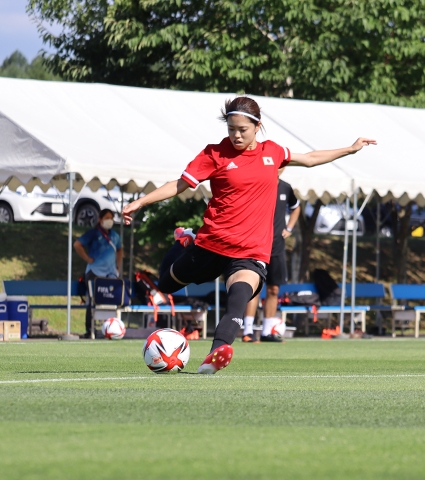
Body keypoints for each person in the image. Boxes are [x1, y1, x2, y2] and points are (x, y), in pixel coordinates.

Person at [122, 96, 376, 374]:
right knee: (167, 284)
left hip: (251, 250)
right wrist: (140, 202)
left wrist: (350, 149)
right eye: (231, 128)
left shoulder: (274, 152)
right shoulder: (214, 154)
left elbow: (311, 158)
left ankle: (215, 353)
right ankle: (186, 239)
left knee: (239, 296)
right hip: (212, 245)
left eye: (242, 129)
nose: (236, 135)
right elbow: (179, 185)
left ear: (258, 126)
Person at [242, 169, 300, 343]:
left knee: (274, 289)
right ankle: (248, 331)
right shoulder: (255, 185)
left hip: (277, 247)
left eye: (281, 165)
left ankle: (267, 331)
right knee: (255, 289)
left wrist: (289, 228)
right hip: (256, 245)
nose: (277, 168)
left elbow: (296, 208)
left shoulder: (285, 188)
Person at [74, 209, 123, 339]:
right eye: (107, 217)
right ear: (100, 219)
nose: (109, 220)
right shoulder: (93, 234)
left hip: (111, 273)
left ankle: (112, 329)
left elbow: (119, 249)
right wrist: (87, 259)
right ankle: (89, 330)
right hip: (94, 272)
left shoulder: (115, 236)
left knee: (112, 299)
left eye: (111, 218)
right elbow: (77, 244)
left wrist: (118, 266)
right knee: (92, 301)